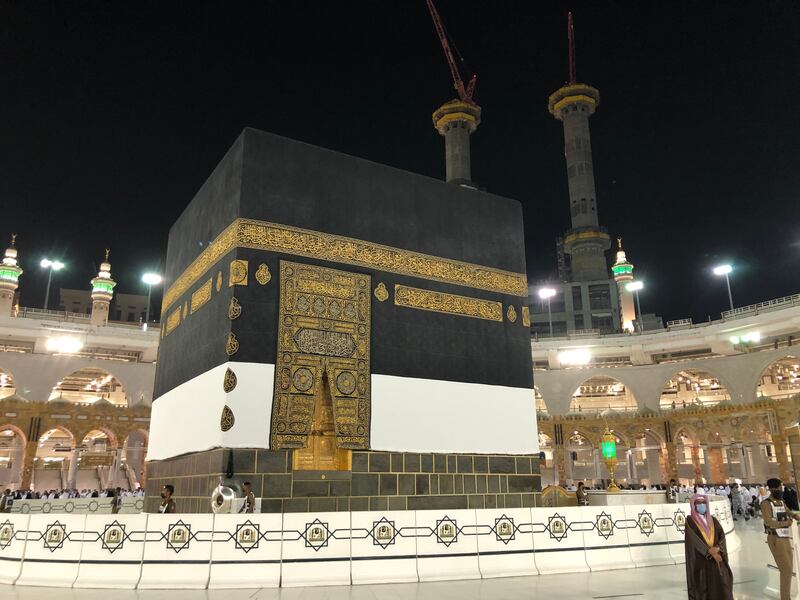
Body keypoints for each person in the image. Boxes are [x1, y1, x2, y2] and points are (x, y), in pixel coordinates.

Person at [685, 494, 733, 599]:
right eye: (699, 503)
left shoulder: (713, 520)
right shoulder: (690, 521)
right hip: (702, 560)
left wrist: (717, 548)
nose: (702, 505)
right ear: (694, 505)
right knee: (704, 588)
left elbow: (721, 536)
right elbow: (694, 540)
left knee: (723, 585)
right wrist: (709, 552)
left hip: (718, 557)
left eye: (703, 503)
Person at [761, 478, 800, 600]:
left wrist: (795, 515)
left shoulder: (781, 502)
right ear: (773, 489)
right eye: (779, 487)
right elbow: (768, 522)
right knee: (786, 570)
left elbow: (788, 512)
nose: (781, 489)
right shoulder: (766, 503)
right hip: (775, 538)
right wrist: (786, 523)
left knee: (788, 569)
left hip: (785, 537)